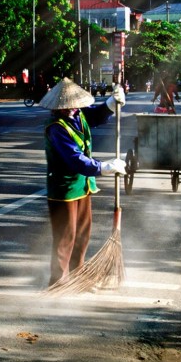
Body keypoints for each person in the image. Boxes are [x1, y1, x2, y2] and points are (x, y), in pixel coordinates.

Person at [39, 77, 126, 286]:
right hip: (64, 190)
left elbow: (96, 115)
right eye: (66, 107)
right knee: (65, 237)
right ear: (57, 108)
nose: (71, 109)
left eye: (74, 106)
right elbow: (74, 158)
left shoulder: (79, 115)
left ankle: (77, 278)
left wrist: (111, 104)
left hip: (83, 185)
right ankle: (58, 282)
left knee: (83, 234)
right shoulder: (56, 128)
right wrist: (103, 167)